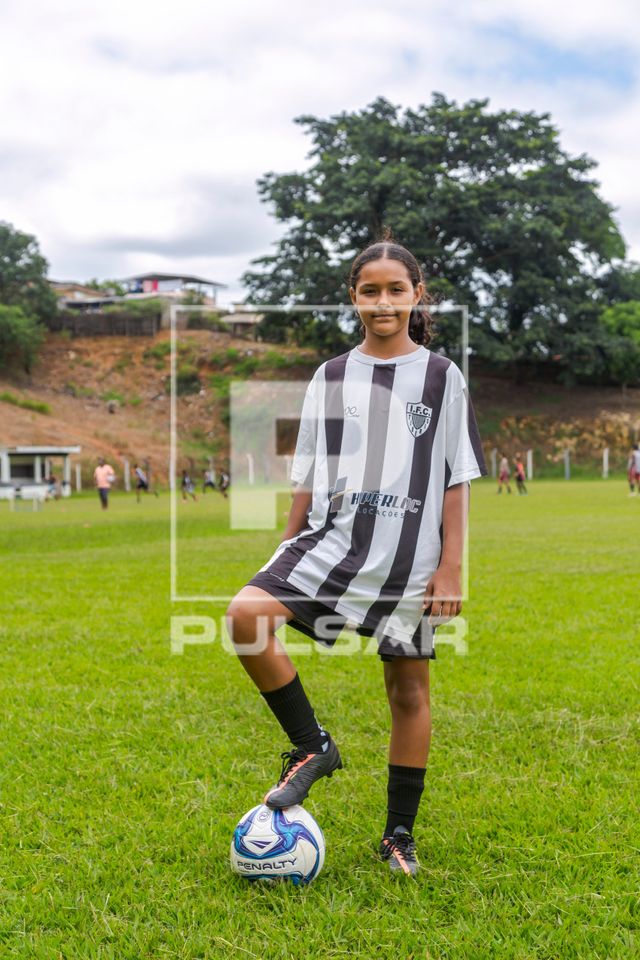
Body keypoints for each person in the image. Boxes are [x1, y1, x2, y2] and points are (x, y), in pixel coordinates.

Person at [225, 232, 487, 876]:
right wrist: (287, 542)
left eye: (396, 289)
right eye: (370, 290)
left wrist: (452, 567)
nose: (383, 302)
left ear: (417, 295)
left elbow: (455, 478)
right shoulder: (332, 375)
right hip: (334, 542)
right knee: (245, 616)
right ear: (353, 297)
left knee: (407, 691)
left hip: (411, 560)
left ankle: (399, 834)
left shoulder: (441, 376)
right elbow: (311, 470)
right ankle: (312, 746)